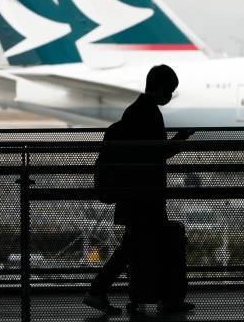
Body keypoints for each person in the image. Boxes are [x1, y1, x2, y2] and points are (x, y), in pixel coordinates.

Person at [84, 65, 195, 315]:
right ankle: (101, 291)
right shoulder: (150, 114)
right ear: (163, 88)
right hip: (145, 196)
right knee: (143, 247)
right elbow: (157, 154)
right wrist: (181, 139)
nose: (170, 97)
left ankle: (141, 296)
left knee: (134, 247)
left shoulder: (133, 111)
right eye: (170, 91)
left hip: (133, 195)